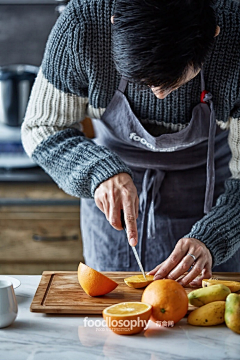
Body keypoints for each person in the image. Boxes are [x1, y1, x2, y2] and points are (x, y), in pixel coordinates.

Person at [21, 0, 240, 286]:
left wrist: (218, 234)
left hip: (215, 203)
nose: (160, 95)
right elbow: (42, 127)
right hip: (112, 212)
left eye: (173, 80)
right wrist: (98, 171)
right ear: (114, 23)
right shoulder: (82, 25)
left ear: (213, 33)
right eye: (146, 82)